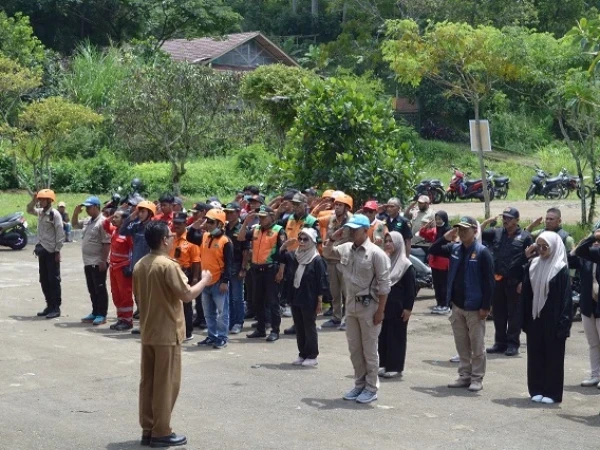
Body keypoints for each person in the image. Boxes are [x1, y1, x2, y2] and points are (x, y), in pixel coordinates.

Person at [134, 220, 212, 448]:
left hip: (148, 330)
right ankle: (161, 431)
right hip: (167, 332)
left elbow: (138, 296)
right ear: (162, 240)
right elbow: (187, 294)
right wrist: (205, 281)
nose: (171, 238)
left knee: (148, 382)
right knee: (166, 384)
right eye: (169, 235)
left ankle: (148, 428)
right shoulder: (167, 266)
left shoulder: (141, 264)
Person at [324, 214, 391, 404]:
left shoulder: (376, 254)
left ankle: (371, 388)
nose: (351, 232)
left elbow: (385, 286)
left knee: (369, 350)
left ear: (365, 230)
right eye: (349, 229)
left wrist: (381, 312)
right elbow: (327, 253)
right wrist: (332, 238)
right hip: (351, 307)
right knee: (355, 349)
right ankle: (359, 384)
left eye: (354, 229)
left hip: (370, 306)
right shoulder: (346, 248)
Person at [429, 216, 495, 392]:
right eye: (460, 229)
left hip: (475, 307)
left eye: (466, 229)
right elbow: (433, 249)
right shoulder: (455, 249)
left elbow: (489, 282)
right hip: (457, 305)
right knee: (462, 344)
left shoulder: (482, 252)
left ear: (475, 231)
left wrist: (485, 307)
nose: (463, 232)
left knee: (477, 344)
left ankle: (477, 378)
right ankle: (464, 376)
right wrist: (445, 237)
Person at [521, 231, 572, 404]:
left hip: (554, 320)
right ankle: (536, 388)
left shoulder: (560, 268)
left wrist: (564, 324)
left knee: (554, 357)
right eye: (539, 246)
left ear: (554, 247)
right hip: (535, 319)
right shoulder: (533, 265)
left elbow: (566, 299)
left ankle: (552, 392)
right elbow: (526, 294)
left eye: (545, 247)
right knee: (535, 354)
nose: (542, 250)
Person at [481, 207, 533, 356]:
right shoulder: (496, 233)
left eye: (509, 218)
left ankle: (512, 344)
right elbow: (478, 233)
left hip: (515, 281)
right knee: (498, 313)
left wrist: (524, 281)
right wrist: (487, 221)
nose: (506, 220)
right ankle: (500, 343)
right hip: (498, 280)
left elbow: (531, 261)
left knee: (514, 314)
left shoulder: (525, 237)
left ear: (517, 220)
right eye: (504, 217)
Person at [280, 228, 329, 367]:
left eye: (305, 239)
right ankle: (302, 353)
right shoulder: (296, 255)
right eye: (300, 239)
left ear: (312, 241)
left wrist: (320, 301)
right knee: (299, 326)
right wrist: (284, 246)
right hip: (296, 295)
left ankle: (312, 355)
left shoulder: (317, 259)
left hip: (310, 297)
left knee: (309, 326)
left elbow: (322, 281)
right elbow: (282, 257)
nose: (301, 242)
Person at [245, 206, 287, 342]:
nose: (261, 219)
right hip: (256, 269)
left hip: (271, 270)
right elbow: (240, 237)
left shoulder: (278, 231)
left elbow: (283, 254)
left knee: (273, 301)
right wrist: (246, 223)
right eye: (260, 217)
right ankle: (260, 329)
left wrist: (281, 271)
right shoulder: (255, 229)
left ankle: (275, 330)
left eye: (264, 217)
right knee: (257, 300)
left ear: (272, 216)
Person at [281, 193, 321, 333]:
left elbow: (318, 241)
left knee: (306, 293)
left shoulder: (312, 221)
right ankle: (296, 323)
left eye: (298, 204)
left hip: (307, 259)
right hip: (292, 259)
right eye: (294, 204)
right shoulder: (290, 219)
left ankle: (309, 323)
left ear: (305, 205)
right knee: (293, 292)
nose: (295, 207)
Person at [379, 231, 416, 378]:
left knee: (397, 336)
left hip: (399, 308)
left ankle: (395, 367)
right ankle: (385, 364)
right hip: (385, 306)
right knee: (384, 336)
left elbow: (411, 290)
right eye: (386, 241)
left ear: (399, 244)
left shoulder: (406, 265)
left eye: (391, 241)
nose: (388, 244)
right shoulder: (385, 261)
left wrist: (408, 308)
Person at [196, 209, 233, 349]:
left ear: (220, 224)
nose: (208, 224)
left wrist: (225, 281)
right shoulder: (205, 236)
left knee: (222, 312)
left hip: (218, 282)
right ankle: (212, 336)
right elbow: (191, 236)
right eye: (207, 221)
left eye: (211, 222)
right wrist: (196, 226)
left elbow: (229, 264)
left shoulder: (226, 241)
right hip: (205, 281)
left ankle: (222, 337)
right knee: (208, 312)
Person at [72, 196, 111, 326]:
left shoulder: (103, 222)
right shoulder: (88, 221)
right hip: (88, 261)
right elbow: (75, 225)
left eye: (89, 207)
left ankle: (102, 314)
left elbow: (106, 243)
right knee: (92, 288)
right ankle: (95, 312)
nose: (87, 210)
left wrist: (103, 261)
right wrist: (76, 213)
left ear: (96, 207)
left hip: (98, 261)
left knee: (100, 288)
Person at [27, 189, 65, 319]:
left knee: (53, 280)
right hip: (42, 251)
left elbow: (60, 233)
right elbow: (29, 210)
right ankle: (49, 305)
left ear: (49, 201)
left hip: (51, 251)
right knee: (43, 279)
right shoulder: (41, 213)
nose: (41, 201)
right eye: (40, 199)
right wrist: (33, 199)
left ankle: (56, 307)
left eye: (43, 199)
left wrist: (57, 251)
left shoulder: (54, 214)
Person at [121, 200, 157, 334]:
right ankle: (143, 325)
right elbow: (123, 230)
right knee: (139, 296)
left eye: (143, 211)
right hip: (137, 267)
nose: (140, 214)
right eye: (139, 211)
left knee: (150, 298)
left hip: (150, 267)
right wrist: (132, 216)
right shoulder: (136, 226)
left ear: (150, 213)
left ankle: (152, 326)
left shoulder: (154, 228)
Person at [321, 194, 354, 330]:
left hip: (345, 259)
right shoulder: (332, 219)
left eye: (340, 205)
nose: (337, 207)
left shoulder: (352, 221)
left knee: (348, 292)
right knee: (334, 292)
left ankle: (349, 319)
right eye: (336, 205)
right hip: (332, 259)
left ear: (346, 207)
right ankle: (336, 318)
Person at [573, 229, 600, 388]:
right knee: (593, 343)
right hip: (588, 305)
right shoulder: (589, 255)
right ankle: (595, 374)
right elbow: (578, 251)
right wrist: (591, 237)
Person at [170, 212, 201, 342]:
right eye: (174, 223)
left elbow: (196, 261)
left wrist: (195, 279)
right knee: (172, 303)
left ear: (185, 224)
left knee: (186, 304)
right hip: (171, 273)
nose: (176, 225)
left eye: (179, 223)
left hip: (186, 274)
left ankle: (188, 332)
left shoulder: (190, 241)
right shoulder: (170, 238)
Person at [103, 209, 134, 331]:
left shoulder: (128, 234)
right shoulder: (115, 230)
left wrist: (130, 266)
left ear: (124, 220)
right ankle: (120, 318)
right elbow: (105, 224)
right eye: (113, 217)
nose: (113, 219)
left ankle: (127, 320)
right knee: (116, 294)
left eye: (117, 217)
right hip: (114, 267)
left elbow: (133, 250)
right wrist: (112, 216)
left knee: (125, 294)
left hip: (123, 268)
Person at [223, 202, 251, 335]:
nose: (228, 214)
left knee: (237, 296)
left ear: (238, 213)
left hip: (237, 264)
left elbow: (246, 250)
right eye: (227, 212)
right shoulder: (224, 228)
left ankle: (238, 322)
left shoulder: (241, 228)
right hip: (226, 266)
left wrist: (243, 268)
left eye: (231, 212)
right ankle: (230, 321)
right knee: (227, 297)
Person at [419, 211, 451, 314]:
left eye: (440, 219)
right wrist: (426, 226)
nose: (438, 221)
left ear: (444, 219)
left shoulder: (448, 231)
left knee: (443, 284)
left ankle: (445, 305)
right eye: (436, 219)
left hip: (444, 262)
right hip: (434, 262)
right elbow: (422, 233)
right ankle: (439, 304)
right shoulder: (434, 230)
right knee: (436, 284)